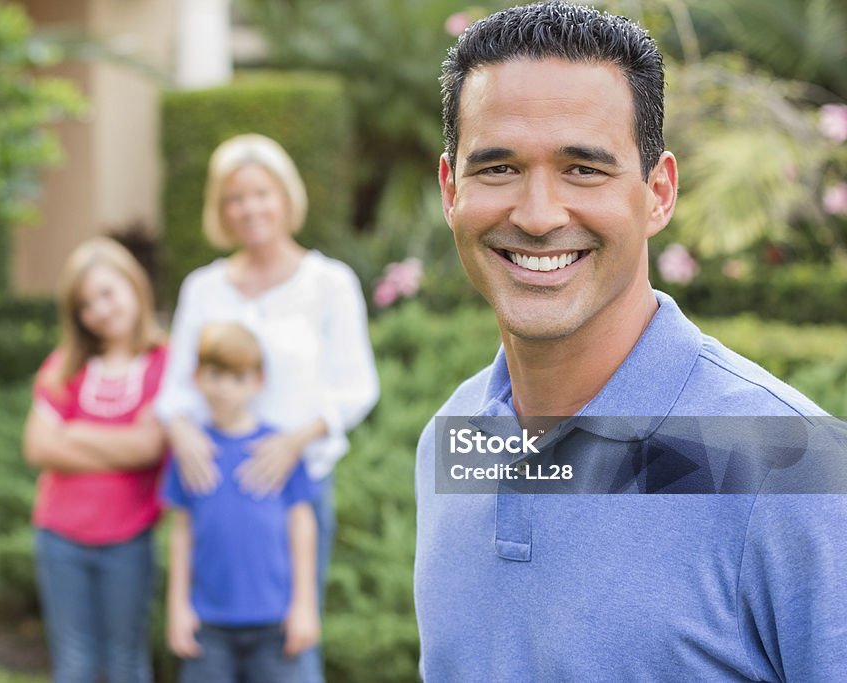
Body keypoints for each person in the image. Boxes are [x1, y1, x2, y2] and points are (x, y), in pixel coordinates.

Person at [415, 2, 847, 681]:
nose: (536, 214)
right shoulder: (454, 439)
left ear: (658, 192)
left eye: (583, 168)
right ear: (451, 190)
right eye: (497, 168)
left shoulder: (793, 468)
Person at [155, 133, 379, 683]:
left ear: (285, 196)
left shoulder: (328, 284)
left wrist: (294, 440)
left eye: (261, 193)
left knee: (291, 649)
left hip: (293, 493)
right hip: (214, 491)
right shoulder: (203, 289)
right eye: (235, 198)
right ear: (220, 209)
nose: (250, 208)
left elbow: (358, 387)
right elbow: (174, 390)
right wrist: (180, 433)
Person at [22, 237, 168, 683]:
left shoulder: (164, 363)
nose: (100, 310)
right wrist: (122, 444)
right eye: (86, 304)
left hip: (128, 540)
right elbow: (39, 447)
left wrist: (78, 432)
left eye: (108, 293)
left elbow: (150, 448)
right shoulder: (65, 366)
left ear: (134, 286)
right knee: (75, 663)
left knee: (126, 662)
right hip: (59, 538)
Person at [164, 321, 319, 682]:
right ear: (198, 376)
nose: (224, 389)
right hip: (209, 625)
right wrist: (178, 607)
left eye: (237, 378)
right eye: (215, 375)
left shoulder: (278, 451)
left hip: (275, 623)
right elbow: (181, 533)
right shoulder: (191, 453)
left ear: (257, 382)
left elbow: (302, 525)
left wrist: (304, 605)